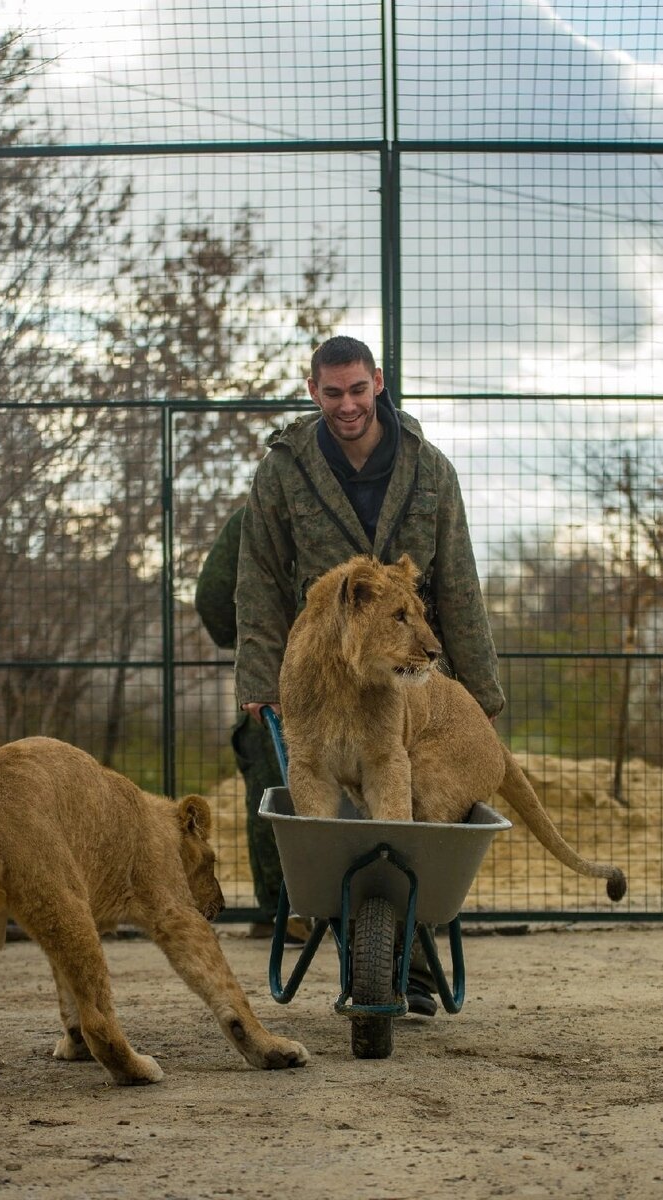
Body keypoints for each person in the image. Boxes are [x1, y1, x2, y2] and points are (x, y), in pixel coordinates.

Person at [234, 335, 505, 1014]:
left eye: (357, 389)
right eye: (332, 393)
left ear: (377, 383)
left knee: (405, 808)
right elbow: (260, 579)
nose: (347, 405)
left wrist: (480, 690)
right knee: (325, 817)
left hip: (400, 666)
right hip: (324, 666)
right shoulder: (284, 470)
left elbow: (461, 586)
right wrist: (259, 684)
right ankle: (362, 952)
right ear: (313, 390)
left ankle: (404, 966)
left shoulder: (428, 469)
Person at [195, 509, 310, 944]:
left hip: (274, 666)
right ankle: (307, 909)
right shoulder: (361, 500)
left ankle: (282, 909)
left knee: (274, 783)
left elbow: (211, 594)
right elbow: (213, 596)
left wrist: (251, 638)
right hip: (294, 671)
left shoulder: (258, 511)